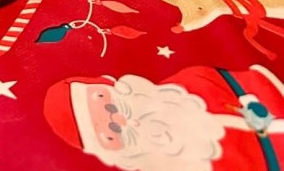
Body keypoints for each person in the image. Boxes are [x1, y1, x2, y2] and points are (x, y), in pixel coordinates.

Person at [44, 64, 284, 170]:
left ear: (110, 83)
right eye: (109, 133)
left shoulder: (193, 80)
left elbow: (254, 82)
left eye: (106, 103)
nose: (122, 121)